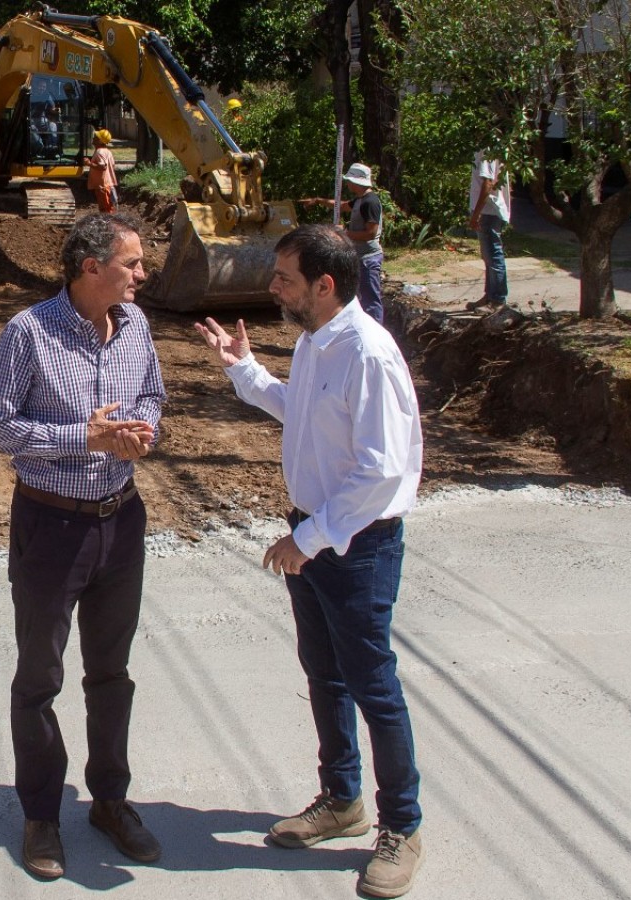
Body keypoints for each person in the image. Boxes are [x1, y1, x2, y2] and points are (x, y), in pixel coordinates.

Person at [194, 224, 426, 898]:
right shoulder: (317, 342)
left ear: (325, 286)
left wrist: (310, 537)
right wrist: (244, 370)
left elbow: (382, 473)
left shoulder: (368, 354)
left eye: (285, 278)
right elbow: (301, 412)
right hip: (318, 536)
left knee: (373, 686)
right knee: (325, 676)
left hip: (355, 546)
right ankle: (341, 800)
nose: (273, 287)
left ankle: (402, 827)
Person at [0, 213, 166, 881]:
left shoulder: (136, 326)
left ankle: (110, 802)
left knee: (111, 675)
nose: (143, 274)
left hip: (122, 521)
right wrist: (78, 438)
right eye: (132, 263)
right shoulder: (29, 333)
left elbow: (151, 392)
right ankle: (40, 815)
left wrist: (141, 431)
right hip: (52, 527)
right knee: (40, 679)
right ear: (92, 268)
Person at [302, 163, 385, 323]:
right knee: (358, 297)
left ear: (356, 182)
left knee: (370, 299)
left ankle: (375, 333)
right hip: (359, 256)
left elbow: (370, 233)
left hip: (368, 257)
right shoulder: (360, 200)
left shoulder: (370, 202)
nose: (347, 184)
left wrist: (344, 232)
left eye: (349, 181)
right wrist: (318, 201)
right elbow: (342, 206)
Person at [468, 150, 511, 309]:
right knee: (488, 256)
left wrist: (476, 214)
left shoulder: (488, 149)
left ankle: (498, 299)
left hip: (488, 210)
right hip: (488, 210)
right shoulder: (492, 146)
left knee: (493, 256)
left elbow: (488, 184)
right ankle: (490, 296)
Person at [87, 129, 118, 214]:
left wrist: (89, 164)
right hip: (107, 184)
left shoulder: (99, 151)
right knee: (107, 209)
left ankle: (108, 226)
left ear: (100, 140)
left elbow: (103, 166)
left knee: (106, 211)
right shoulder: (107, 152)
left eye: (95, 137)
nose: (93, 138)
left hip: (103, 186)